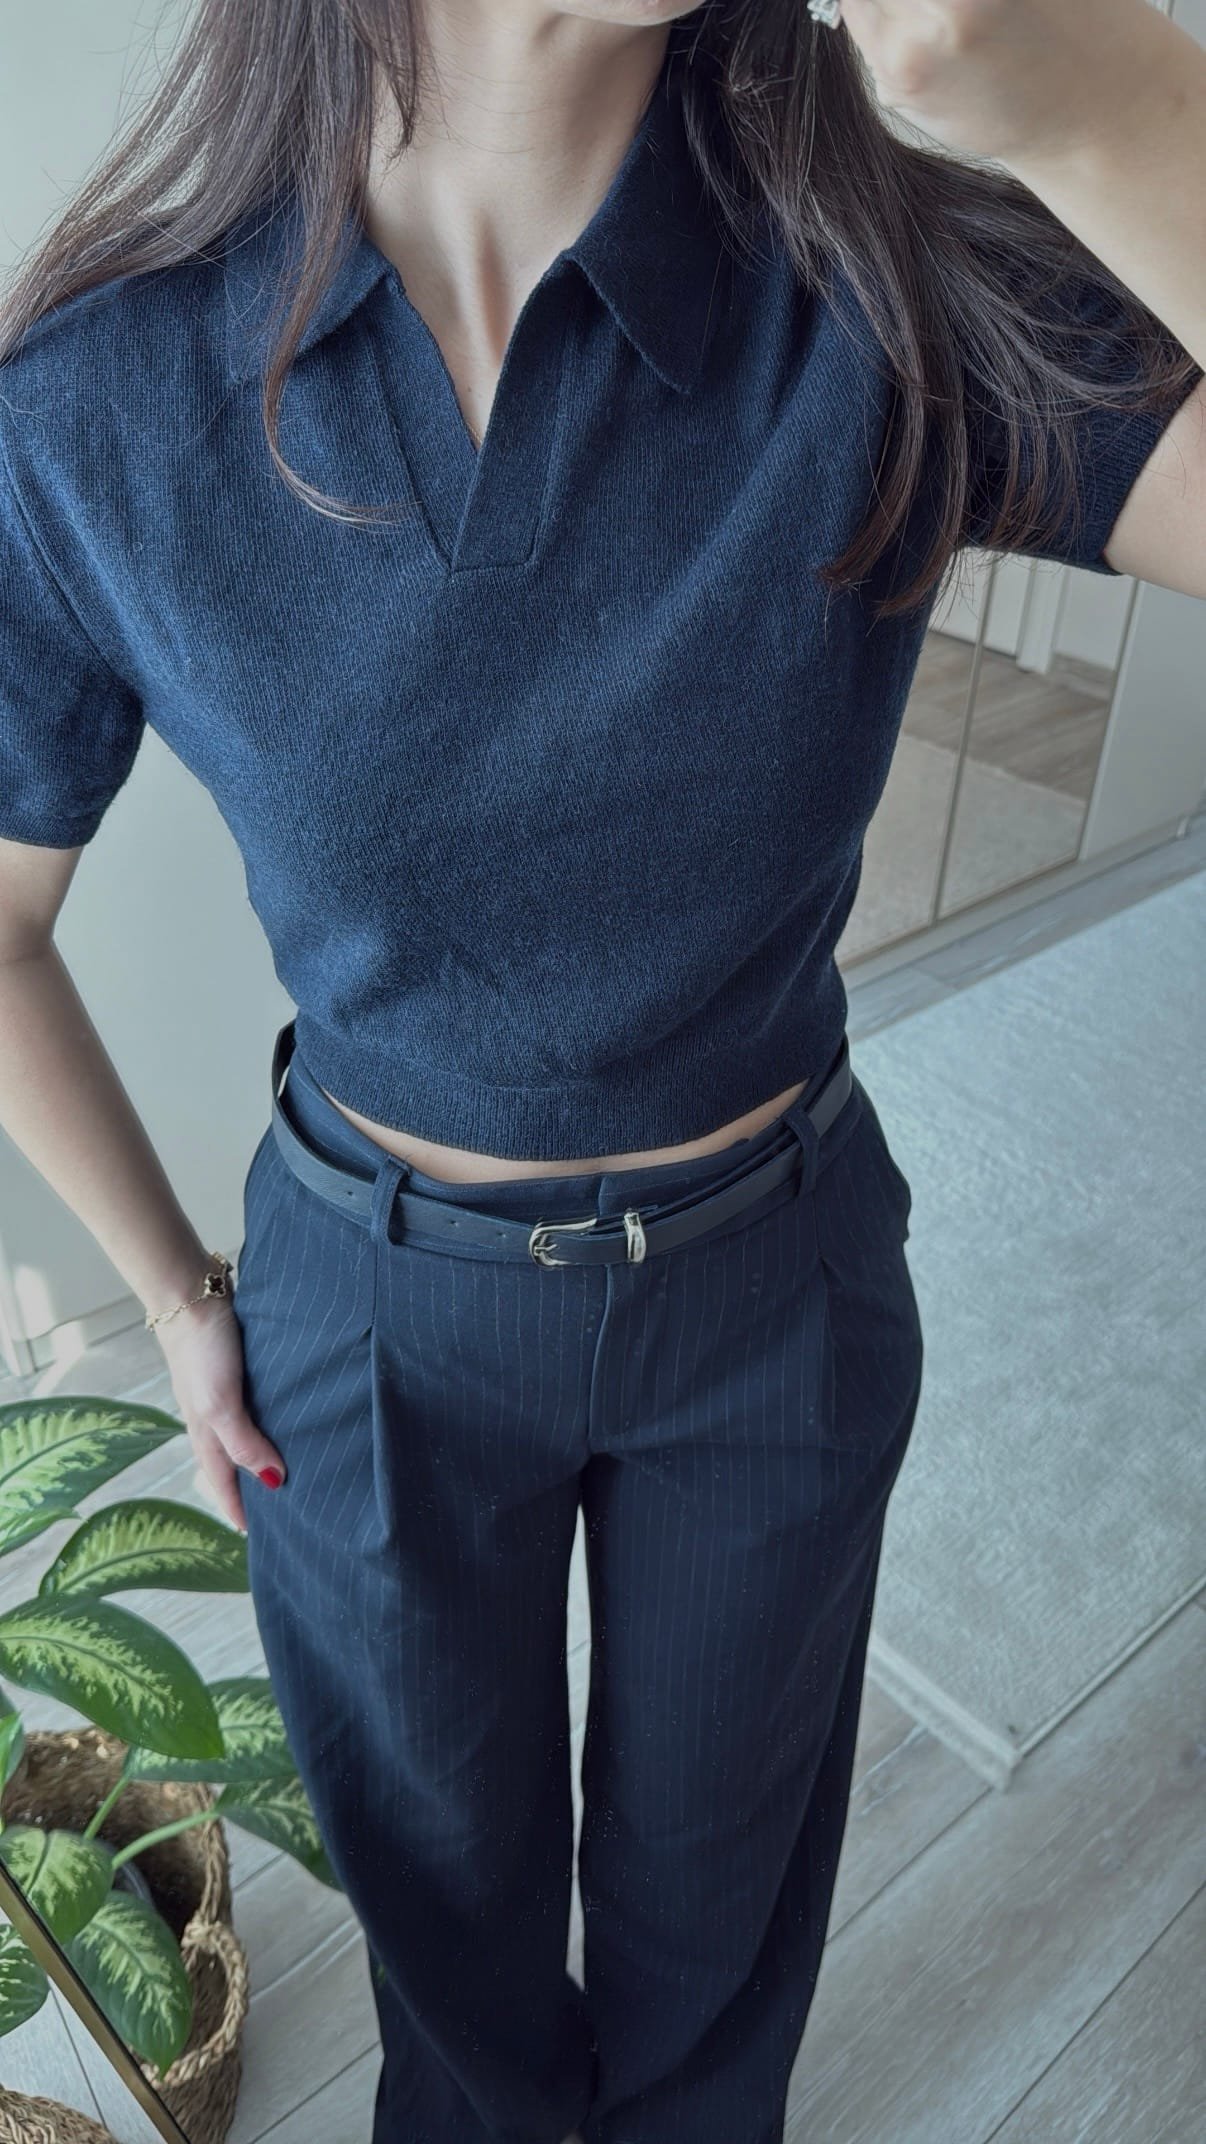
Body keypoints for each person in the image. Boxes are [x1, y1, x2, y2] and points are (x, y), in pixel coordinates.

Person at [0, 4, 1200, 2142]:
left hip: (770, 1286)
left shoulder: (891, 285)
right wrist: (176, 1297)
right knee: (445, 1942)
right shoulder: (102, 395)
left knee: (716, 1932)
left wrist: (1114, 102)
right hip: (368, 1318)